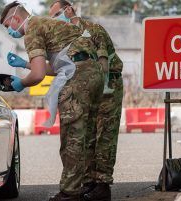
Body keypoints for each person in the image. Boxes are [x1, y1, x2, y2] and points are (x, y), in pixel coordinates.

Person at [0, 2, 104, 201]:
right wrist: (24, 64)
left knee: (72, 137)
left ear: (15, 19)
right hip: (93, 73)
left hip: (78, 78)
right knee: (88, 135)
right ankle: (93, 187)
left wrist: (20, 83)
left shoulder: (32, 28)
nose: (9, 31)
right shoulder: (47, 23)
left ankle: (70, 192)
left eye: (7, 26)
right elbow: (58, 66)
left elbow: (38, 75)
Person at [49, 1, 124, 200]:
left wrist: (99, 84)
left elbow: (103, 63)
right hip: (87, 88)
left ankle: (103, 184)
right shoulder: (65, 38)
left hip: (109, 85)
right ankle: (89, 181)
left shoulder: (92, 29)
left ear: (68, 9)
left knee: (104, 135)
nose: (55, 21)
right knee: (88, 134)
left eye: (56, 15)